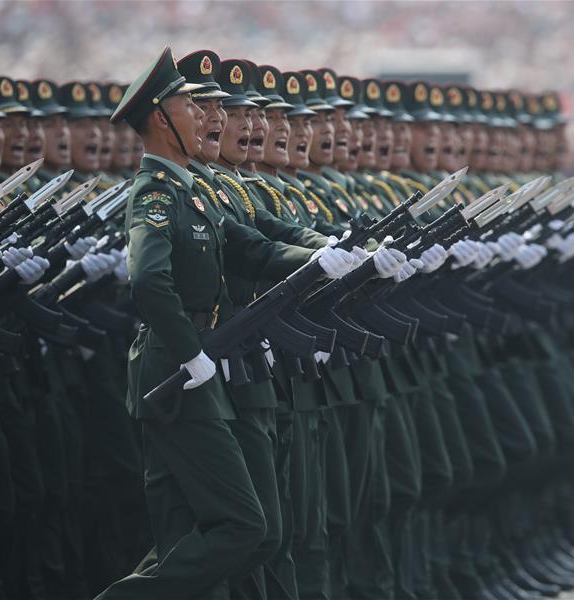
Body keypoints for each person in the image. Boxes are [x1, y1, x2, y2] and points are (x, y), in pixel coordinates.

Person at [96, 46, 356, 600]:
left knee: (216, 527)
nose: (205, 117)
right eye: (190, 106)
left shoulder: (197, 192)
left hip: (200, 365)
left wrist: (322, 259)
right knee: (243, 525)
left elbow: (256, 249)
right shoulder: (156, 193)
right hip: (178, 369)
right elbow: (147, 280)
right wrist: (189, 351)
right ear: (161, 120)